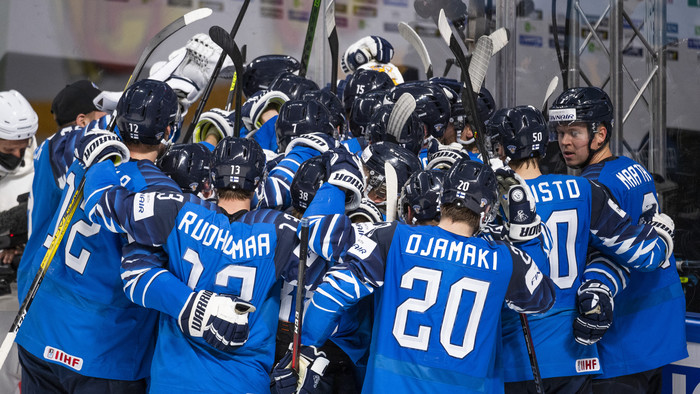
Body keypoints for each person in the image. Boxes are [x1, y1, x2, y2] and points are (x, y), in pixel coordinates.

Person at [81, 137, 366, 393]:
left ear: (211, 178)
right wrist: (335, 186)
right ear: (258, 182)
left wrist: (103, 159)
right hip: (243, 382)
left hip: (173, 380)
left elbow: (99, 203)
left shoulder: (177, 210)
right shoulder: (280, 230)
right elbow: (332, 246)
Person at [275, 157, 558, 393]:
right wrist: (526, 231)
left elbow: (329, 279)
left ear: (443, 199)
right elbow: (544, 298)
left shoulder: (394, 238)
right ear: (485, 212)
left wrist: (338, 183)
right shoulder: (504, 259)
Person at [488, 105, 676, 393]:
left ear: (502, 150)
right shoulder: (583, 190)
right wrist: (661, 235)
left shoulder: (494, 203)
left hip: (516, 357)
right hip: (575, 357)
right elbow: (642, 254)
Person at [15, 79, 186, 393]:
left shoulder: (78, 154)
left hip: (40, 327)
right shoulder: (161, 192)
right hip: (105, 349)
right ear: (168, 131)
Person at [550, 87, 687, 393]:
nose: (565, 142)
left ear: (600, 134)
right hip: (659, 328)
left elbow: (612, 256)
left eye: (574, 132)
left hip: (624, 338)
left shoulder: (593, 187)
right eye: (560, 133)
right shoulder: (632, 167)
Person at [0, 89, 38, 394]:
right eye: (7, 149)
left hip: (17, 304)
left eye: (20, 149)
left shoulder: (37, 172)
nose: (16, 157)